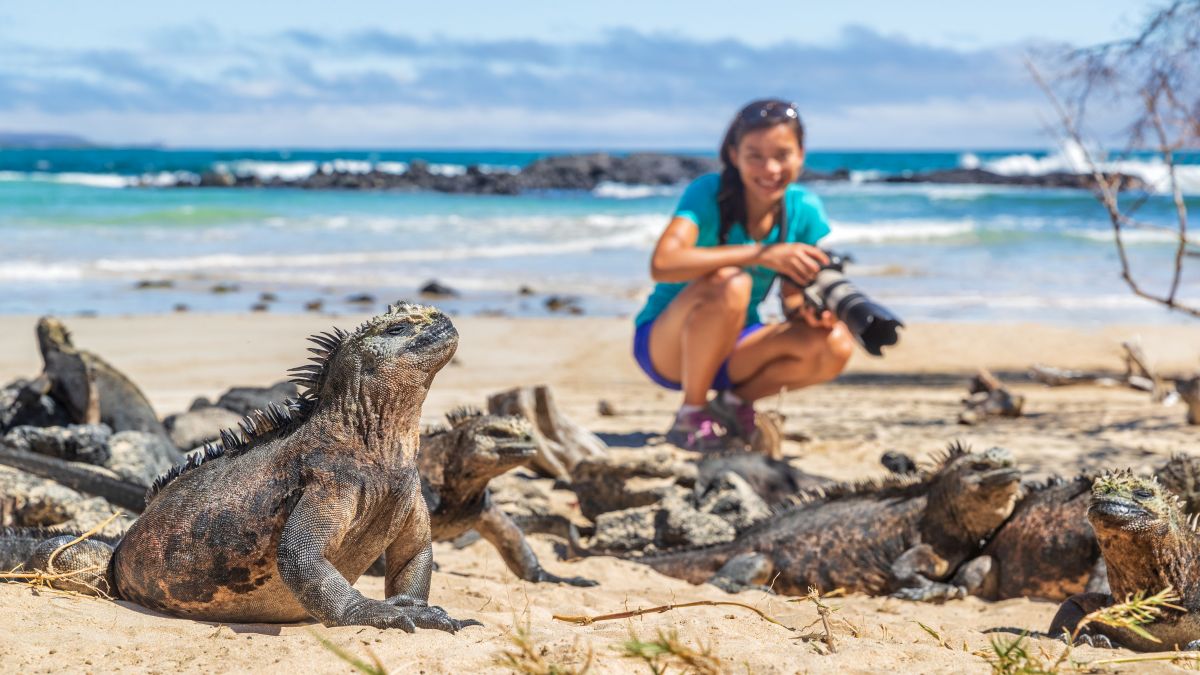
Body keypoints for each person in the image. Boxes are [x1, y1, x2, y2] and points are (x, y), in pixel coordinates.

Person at [632, 99, 856, 451]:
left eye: (782, 154)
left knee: (836, 343)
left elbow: (791, 298)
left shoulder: (804, 210)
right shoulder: (708, 192)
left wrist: (809, 314)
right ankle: (690, 412)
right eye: (755, 155)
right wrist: (762, 254)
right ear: (734, 155)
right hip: (668, 343)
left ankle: (733, 405)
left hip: (737, 347)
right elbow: (663, 262)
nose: (769, 168)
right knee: (732, 282)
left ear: (800, 154)